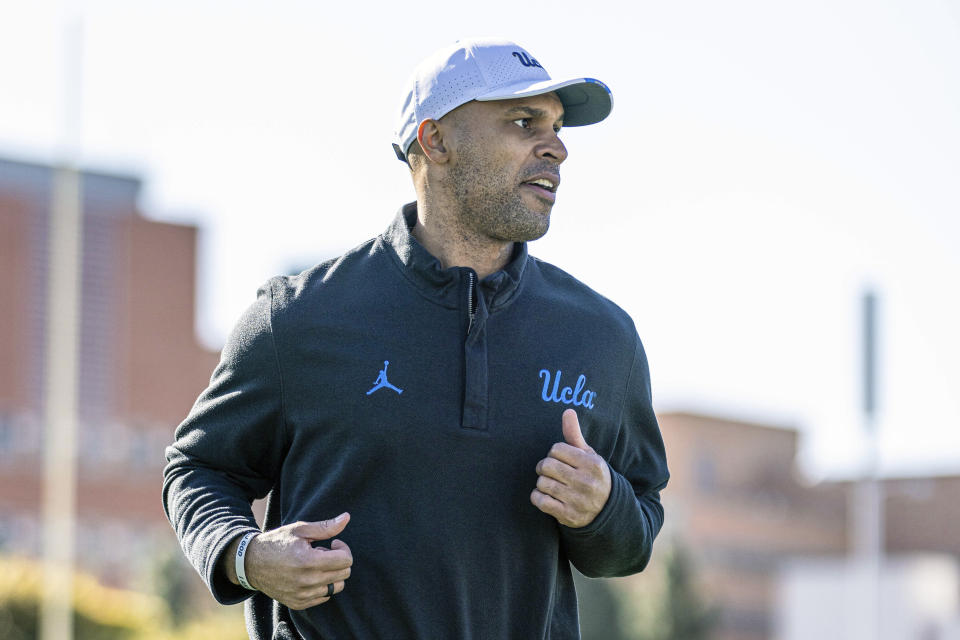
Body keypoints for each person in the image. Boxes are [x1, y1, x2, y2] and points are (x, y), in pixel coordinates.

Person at [163, 37, 669, 640]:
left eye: (558, 127)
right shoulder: (298, 318)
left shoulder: (602, 337)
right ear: (435, 140)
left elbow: (630, 538)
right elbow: (197, 468)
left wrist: (604, 508)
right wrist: (245, 557)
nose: (556, 147)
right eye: (522, 121)